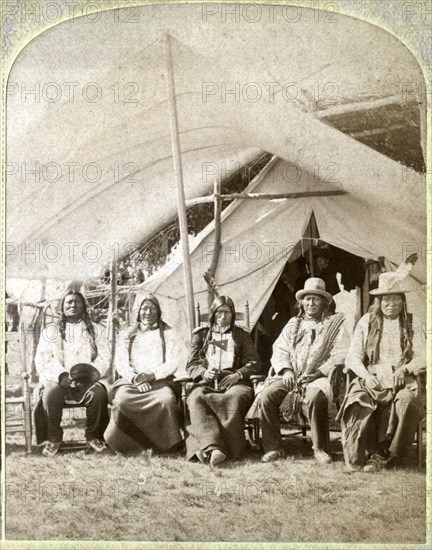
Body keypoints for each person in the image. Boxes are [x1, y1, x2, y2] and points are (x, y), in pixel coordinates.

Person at [338, 272, 425, 472]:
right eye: (387, 299)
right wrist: (367, 377)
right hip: (373, 377)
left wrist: (405, 368)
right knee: (359, 400)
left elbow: (425, 355)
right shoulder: (367, 321)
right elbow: (352, 356)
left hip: (403, 378)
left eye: (396, 299)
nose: (391, 304)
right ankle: (367, 453)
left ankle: (390, 454)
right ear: (379, 301)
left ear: (403, 301)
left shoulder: (414, 322)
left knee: (407, 402)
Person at [257, 278, 348, 464]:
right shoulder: (293, 323)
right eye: (307, 299)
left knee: (316, 397)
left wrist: (319, 372)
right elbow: (280, 349)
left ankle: (320, 448)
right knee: (268, 395)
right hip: (293, 376)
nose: (311, 303)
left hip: (319, 377)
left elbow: (341, 354)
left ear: (324, 302)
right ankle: (273, 447)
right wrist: (287, 370)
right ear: (301, 302)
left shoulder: (334, 325)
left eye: (316, 299)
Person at [104, 294, 187, 454]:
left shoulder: (169, 333)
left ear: (158, 311)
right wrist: (136, 378)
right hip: (132, 382)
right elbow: (120, 362)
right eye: (144, 308)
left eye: (152, 308)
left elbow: (172, 361)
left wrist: (151, 376)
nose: (148, 312)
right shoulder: (128, 332)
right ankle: (127, 445)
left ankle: (165, 445)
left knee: (167, 401)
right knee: (122, 400)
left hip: (160, 381)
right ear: (138, 311)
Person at [185, 295, 261, 467]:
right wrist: (204, 373)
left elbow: (254, 362)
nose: (222, 316)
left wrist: (238, 374)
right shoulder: (202, 335)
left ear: (232, 315)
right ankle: (214, 448)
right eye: (219, 312)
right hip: (208, 382)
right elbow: (191, 364)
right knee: (196, 398)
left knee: (235, 397)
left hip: (234, 381)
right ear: (213, 314)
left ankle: (219, 448)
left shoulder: (241, 335)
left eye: (227, 312)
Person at [34, 290, 110, 457]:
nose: (73, 305)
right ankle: (54, 439)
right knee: (50, 393)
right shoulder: (50, 332)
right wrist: (60, 376)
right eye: (69, 302)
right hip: (58, 380)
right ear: (62, 307)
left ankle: (94, 436)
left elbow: (104, 356)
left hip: (87, 380)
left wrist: (91, 374)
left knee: (98, 393)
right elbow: (42, 359)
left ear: (84, 306)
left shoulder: (95, 330)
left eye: (77, 302)